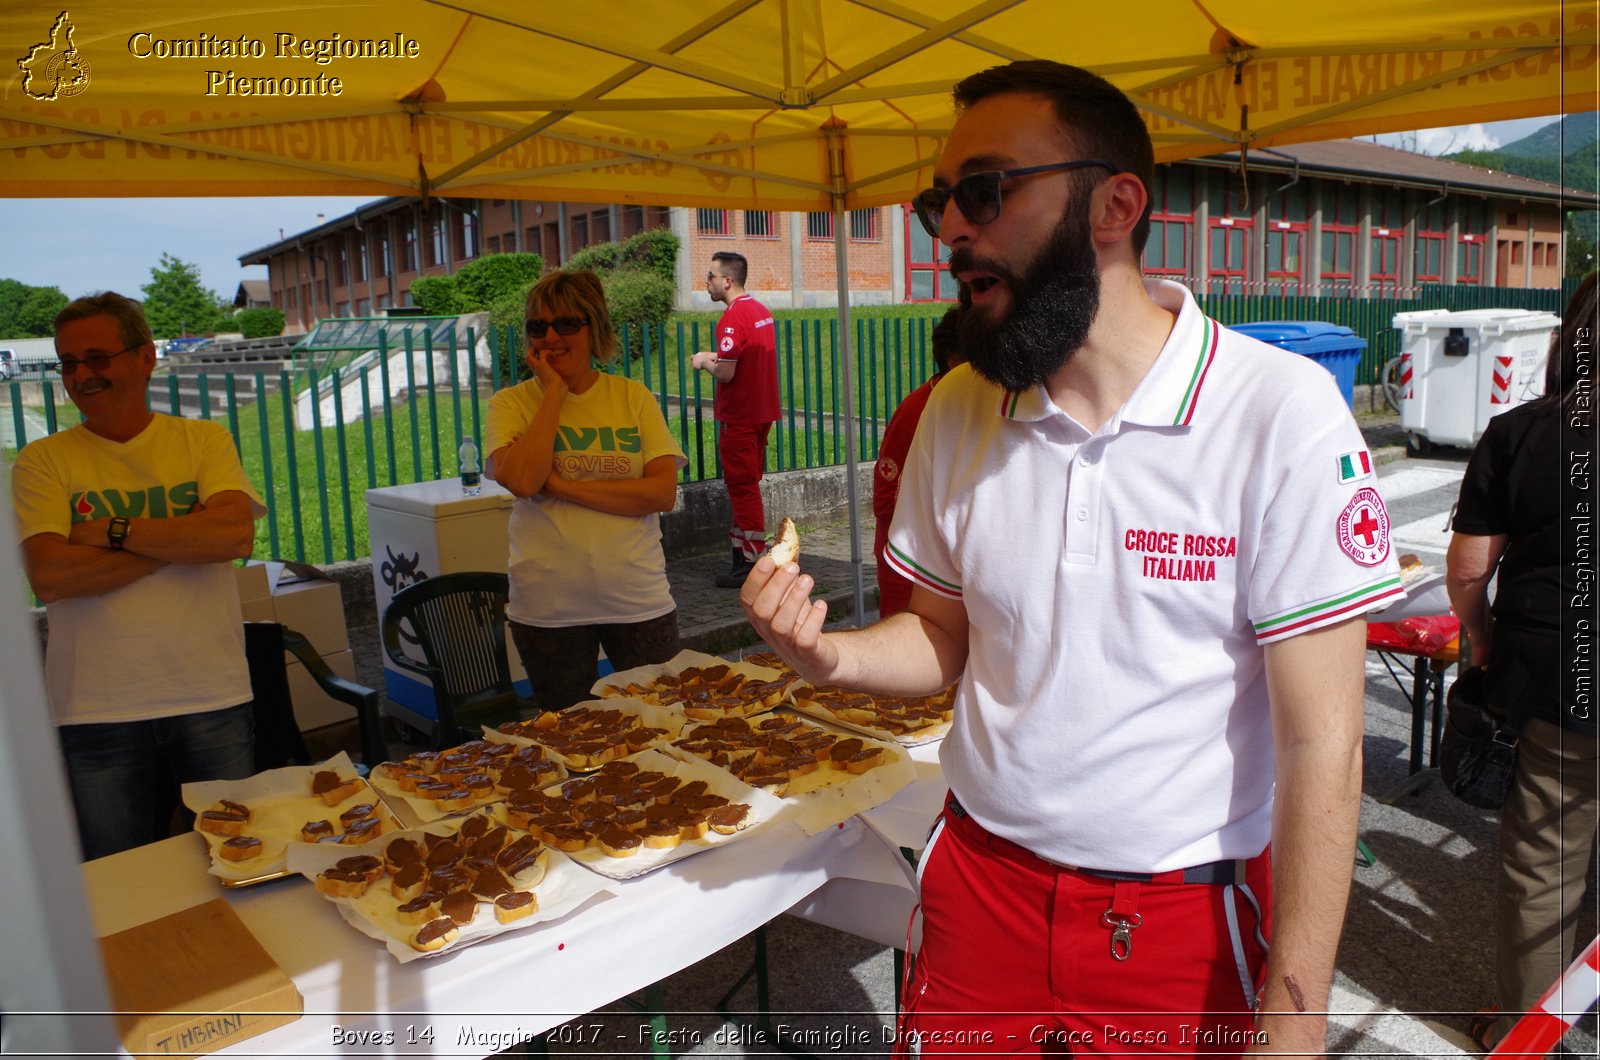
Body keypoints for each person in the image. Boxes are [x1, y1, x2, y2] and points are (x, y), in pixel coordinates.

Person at [742, 60, 1404, 1057]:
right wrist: (826, 655)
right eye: (938, 203)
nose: (951, 230)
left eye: (984, 191)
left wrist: (1295, 1017)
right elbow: (940, 636)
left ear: (1115, 203)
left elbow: (1324, 746)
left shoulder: (1278, 411)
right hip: (977, 892)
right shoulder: (957, 408)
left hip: (1182, 923)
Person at [12, 292, 265, 861]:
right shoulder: (42, 460)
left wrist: (111, 530)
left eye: (97, 358)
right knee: (118, 876)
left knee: (236, 858)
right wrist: (184, 538)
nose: (81, 375)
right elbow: (51, 575)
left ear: (145, 357)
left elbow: (232, 539)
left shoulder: (203, 441)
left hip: (210, 693)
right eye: (68, 362)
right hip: (94, 705)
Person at [1447, 271, 1598, 1050]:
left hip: (1557, 680)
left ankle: (1529, 1030)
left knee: (1547, 866)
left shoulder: (1522, 432)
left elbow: (1470, 570)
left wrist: (1480, 639)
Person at [486, 269, 687, 712]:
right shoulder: (511, 404)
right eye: (538, 327)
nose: (551, 336)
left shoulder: (633, 397)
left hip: (637, 599)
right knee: (570, 738)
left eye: (566, 324)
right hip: (548, 607)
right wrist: (554, 392)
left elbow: (660, 494)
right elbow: (521, 480)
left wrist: (557, 485)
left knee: (665, 723)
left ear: (593, 327)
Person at [690, 251, 779, 588]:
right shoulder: (760, 311)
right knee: (749, 483)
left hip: (739, 416)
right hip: (761, 412)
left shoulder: (730, 318)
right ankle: (744, 556)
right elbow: (742, 353)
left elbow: (726, 372)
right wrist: (709, 354)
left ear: (727, 281)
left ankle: (751, 566)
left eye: (710, 276)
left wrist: (703, 364)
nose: (706, 282)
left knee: (742, 488)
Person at [872, 305, 966, 617]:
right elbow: (887, 502)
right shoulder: (919, 411)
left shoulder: (976, 407)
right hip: (911, 576)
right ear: (954, 362)